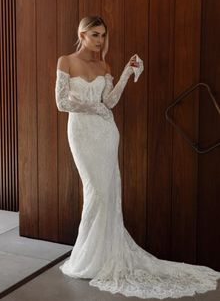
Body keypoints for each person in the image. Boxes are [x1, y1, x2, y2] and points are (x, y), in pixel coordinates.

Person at [55, 15, 220, 299]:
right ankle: (87, 256)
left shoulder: (103, 65)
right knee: (95, 192)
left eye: (103, 35)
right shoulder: (65, 61)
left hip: (107, 134)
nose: (100, 41)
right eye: (95, 35)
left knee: (106, 192)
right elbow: (61, 102)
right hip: (81, 133)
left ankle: (100, 257)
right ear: (81, 34)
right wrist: (93, 108)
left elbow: (110, 102)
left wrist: (125, 74)